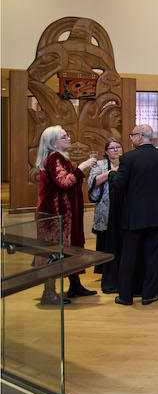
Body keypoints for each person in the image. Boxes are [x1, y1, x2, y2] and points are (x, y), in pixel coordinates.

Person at [109, 124, 158, 306]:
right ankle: (149, 294)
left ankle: (125, 295)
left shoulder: (128, 158)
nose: (130, 139)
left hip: (134, 217)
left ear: (139, 137)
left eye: (132, 135)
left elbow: (119, 185)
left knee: (129, 257)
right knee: (154, 257)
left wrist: (111, 176)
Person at [36, 126, 98, 305]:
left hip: (65, 212)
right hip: (56, 214)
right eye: (65, 136)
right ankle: (49, 293)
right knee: (54, 253)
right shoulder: (54, 157)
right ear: (53, 142)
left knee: (70, 250)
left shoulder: (59, 157)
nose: (69, 138)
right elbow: (63, 182)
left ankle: (75, 285)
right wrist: (82, 167)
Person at [88, 138, 123, 293]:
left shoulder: (126, 163)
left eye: (118, 147)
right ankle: (105, 273)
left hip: (122, 208)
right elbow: (93, 184)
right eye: (112, 148)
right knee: (105, 241)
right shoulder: (100, 165)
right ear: (106, 151)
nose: (115, 150)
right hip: (105, 207)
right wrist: (110, 172)